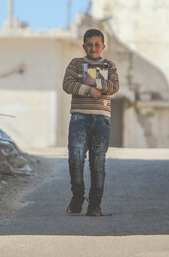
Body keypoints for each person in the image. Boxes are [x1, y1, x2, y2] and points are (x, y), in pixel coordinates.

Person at [62, 28, 119, 216]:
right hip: (80, 117)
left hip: (102, 120)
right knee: (76, 158)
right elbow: (67, 84)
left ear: (103, 46)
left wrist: (94, 83)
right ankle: (77, 196)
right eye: (89, 44)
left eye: (97, 44)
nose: (93, 48)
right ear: (83, 46)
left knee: (98, 162)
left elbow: (114, 86)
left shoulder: (109, 66)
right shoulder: (76, 64)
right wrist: (88, 91)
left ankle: (95, 205)